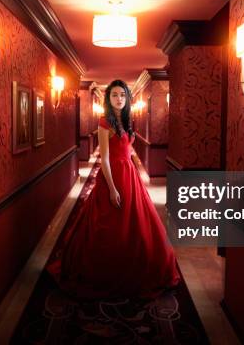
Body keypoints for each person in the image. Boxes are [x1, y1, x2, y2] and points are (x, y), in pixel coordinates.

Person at [47, 79, 181, 299]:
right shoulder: (104, 123)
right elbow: (105, 159)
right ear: (108, 99)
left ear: (126, 98)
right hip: (113, 176)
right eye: (114, 95)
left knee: (137, 221)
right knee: (108, 225)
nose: (119, 98)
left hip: (130, 173)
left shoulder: (128, 121)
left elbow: (128, 151)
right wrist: (111, 188)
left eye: (122, 95)